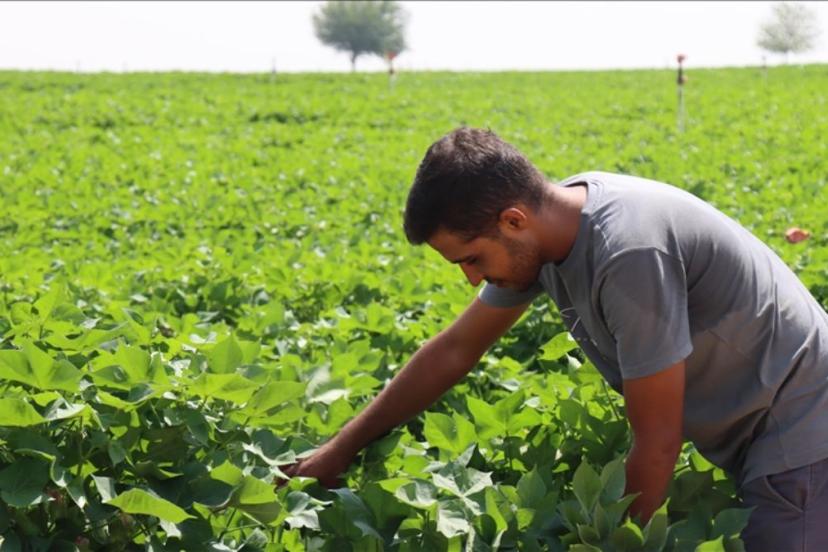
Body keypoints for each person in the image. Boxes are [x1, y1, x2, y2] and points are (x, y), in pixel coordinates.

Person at [280, 127, 828, 549]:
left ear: (514, 220)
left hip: (802, 425)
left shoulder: (628, 253)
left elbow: (658, 442)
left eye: (472, 259)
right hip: (762, 428)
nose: (471, 278)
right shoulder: (552, 231)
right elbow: (454, 349)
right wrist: (339, 448)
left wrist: (618, 541)